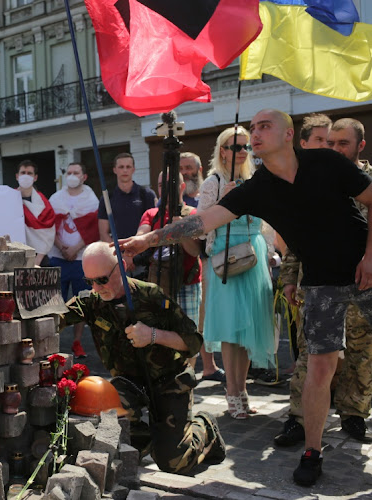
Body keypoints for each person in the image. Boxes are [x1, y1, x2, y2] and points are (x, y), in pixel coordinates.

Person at [119, 109, 372, 487]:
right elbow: (201, 222)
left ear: (289, 135)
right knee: (320, 368)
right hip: (320, 283)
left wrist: (370, 255)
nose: (255, 133)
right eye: (253, 128)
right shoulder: (257, 188)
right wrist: (148, 239)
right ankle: (313, 451)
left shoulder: (326, 162)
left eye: (264, 126)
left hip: (366, 270)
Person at [62, 242, 225, 474]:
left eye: (102, 280)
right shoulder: (91, 302)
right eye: (89, 282)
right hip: (130, 384)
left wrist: (153, 335)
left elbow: (193, 341)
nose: (96, 288)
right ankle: (142, 439)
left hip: (169, 380)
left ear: (121, 267)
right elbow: (54, 317)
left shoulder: (151, 296)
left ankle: (205, 426)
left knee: (173, 462)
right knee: (115, 427)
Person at [197, 127, 275, 420]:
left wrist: (270, 253)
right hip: (227, 258)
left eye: (245, 146)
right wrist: (224, 203)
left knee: (247, 329)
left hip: (254, 256)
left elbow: (267, 221)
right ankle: (232, 392)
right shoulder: (213, 182)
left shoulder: (256, 179)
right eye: (235, 146)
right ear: (222, 151)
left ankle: (241, 391)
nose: (242, 150)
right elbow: (202, 223)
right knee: (231, 329)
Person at [274, 113, 332, 446]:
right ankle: (299, 420)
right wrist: (289, 278)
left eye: (332, 141)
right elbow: (296, 241)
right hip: (313, 286)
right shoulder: (298, 182)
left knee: (354, 356)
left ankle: (351, 414)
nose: (327, 147)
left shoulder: (353, 178)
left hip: (355, 282)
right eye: (321, 140)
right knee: (307, 358)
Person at [174, 154, 225, 382]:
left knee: (207, 316)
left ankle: (210, 365)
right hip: (191, 265)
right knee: (198, 318)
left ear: (199, 169)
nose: (185, 171)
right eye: (182, 168)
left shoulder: (207, 194)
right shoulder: (175, 200)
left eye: (189, 168)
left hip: (211, 260)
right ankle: (206, 366)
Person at [137, 172, 202, 336]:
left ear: (182, 187)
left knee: (188, 336)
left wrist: (181, 229)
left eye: (170, 184)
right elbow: (140, 239)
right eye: (161, 185)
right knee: (159, 335)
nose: (165, 189)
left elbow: (195, 251)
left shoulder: (194, 214)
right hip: (158, 285)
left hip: (187, 284)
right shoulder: (151, 214)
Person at [48, 162, 99, 358]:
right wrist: (62, 247)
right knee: (54, 303)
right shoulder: (56, 198)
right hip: (58, 258)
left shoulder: (91, 199)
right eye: (68, 172)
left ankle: (77, 342)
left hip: (81, 260)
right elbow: (49, 226)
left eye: (75, 172)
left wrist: (76, 249)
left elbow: (93, 228)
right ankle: (53, 342)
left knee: (80, 303)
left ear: (83, 176)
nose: (71, 176)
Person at [98, 153, 157, 245]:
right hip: (117, 253)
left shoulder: (146, 194)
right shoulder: (107, 198)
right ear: (115, 170)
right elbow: (103, 233)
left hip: (142, 251)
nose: (125, 170)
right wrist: (116, 253)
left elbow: (154, 227)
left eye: (128, 167)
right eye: (121, 167)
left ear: (133, 170)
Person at [16, 160, 56, 266]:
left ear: (35, 177)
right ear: (17, 176)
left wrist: (37, 261)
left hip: (39, 259)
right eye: (23, 173)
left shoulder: (43, 204)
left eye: (29, 173)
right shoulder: (9, 199)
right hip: (14, 256)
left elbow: (48, 234)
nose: (26, 176)